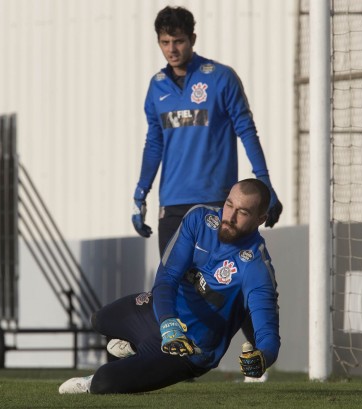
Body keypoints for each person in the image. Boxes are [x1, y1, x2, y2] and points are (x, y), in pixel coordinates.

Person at [59, 178, 280, 394]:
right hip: (163, 317)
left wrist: (263, 358)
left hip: (189, 349)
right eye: (229, 204)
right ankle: (139, 346)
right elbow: (167, 276)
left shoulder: (256, 267)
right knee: (100, 319)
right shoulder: (200, 219)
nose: (229, 216)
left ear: (261, 219)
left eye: (242, 212)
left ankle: (108, 372)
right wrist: (168, 322)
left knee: (103, 383)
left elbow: (268, 334)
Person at [131, 5, 283, 257]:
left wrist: (264, 182)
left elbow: (246, 131)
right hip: (172, 204)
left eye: (179, 41)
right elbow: (154, 143)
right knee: (172, 286)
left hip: (215, 202)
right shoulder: (156, 86)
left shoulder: (221, 78)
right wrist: (140, 194)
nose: (172, 49)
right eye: (165, 42)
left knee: (215, 286)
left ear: (192, 39)